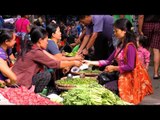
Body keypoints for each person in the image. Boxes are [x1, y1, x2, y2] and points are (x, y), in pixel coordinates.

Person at [83, 18, 153, 104]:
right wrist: (89, 62)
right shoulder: (120, 46)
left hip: (129, 80)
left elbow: (130, 66)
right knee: (101, 82)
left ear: (124, 31)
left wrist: (114, 68)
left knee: (106, 89)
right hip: (120, 76)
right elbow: (107, 61)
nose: (114, 33)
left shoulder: (130, 46)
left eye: (116, 31)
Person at [12, 27, 82, 93]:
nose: (47, 42)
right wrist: (73, 63)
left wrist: (70, 62)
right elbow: (55, 64)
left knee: (49, 72)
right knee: (47, 74)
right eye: (46, 40)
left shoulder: (31, 47)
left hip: (18, 79)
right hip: (21, 83)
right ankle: (34, 94)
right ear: (40, 40)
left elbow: (54, 59)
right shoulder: (35, 52)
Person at [138, 15, 160, 79]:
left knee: (145, 48)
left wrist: (140, 29)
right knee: (156, 49)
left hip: (147, 24)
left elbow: (141, 16)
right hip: (158, 25)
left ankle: (143, 71)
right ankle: (156, 73)